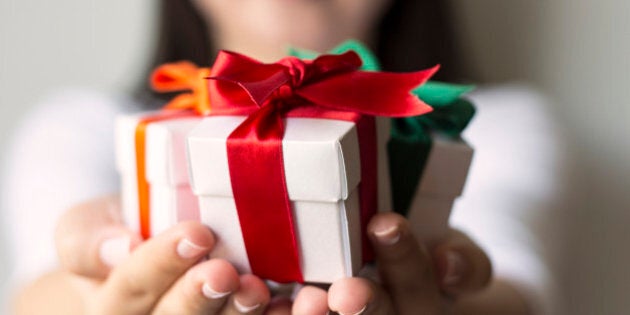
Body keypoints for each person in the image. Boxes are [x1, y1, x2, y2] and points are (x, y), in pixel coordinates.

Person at [3, 0, 561, 314]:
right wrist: (87, 289)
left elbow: (514, 286)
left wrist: (458, 300)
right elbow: (37, 290)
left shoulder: (483, 120)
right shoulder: (81, 125)